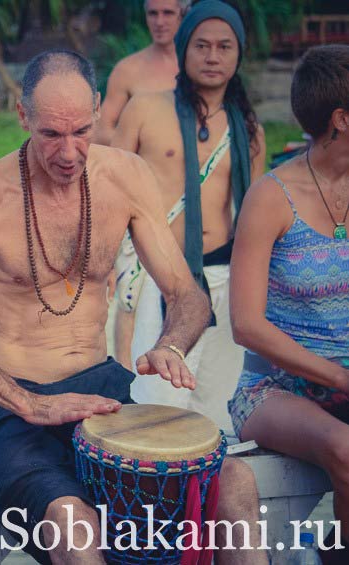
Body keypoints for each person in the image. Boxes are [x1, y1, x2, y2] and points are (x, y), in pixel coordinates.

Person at [0, 48, 265, 564]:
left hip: (103, 394)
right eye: (50, 134)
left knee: (234, 482)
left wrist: (171, 344)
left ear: (97, 108)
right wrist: (30, 404)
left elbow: (188, 294)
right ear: (22, 116)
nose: (69, 152)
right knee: (73, 525)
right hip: (8, 410)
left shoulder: (126, 177)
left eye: (82, 132)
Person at [111, 0, 265, 430]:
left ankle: (210, 496)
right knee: (153, 405)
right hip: (161, 274)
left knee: (217, 407)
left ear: (238, 54)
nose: (212, 56)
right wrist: (106, 264)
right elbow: (109, 190)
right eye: (201, 45)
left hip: (225, 275)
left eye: (224, 46)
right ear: (183, 49)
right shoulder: (144, 108)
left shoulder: (249, 128)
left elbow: (255, 214)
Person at [229, 44, 349, 555]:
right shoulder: (271, 196)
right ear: (342, 119)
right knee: (345, 448)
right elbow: (246, 325)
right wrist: (340, 376)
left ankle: (328, 548)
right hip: (276, 388)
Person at [95, 0, 188, 146]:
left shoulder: (202, 67)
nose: (159, 22)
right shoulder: (127, 69)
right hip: (143, 164)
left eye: (168, 13)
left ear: (184, 14)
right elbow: (101, 130)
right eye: (153, 13)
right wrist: (144, 146)